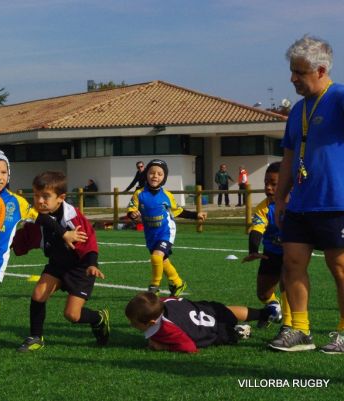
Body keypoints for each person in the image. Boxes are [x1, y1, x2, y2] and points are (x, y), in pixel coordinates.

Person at [0, 149, 85, 360]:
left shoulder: (17, 201)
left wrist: (64, 233)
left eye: (3, 172)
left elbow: (43, 219)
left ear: (9, 173)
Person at [270, 35, 344, 353]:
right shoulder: (298, 110)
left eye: (299, 72)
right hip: (301, 202)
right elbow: (288, 157)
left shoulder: (339, 98)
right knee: (292, 262)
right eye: (292, 71)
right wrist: (280, 197)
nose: (292, 79)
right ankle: (300, 329)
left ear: (321, 70)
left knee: (339, 266)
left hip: (336, 200)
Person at [12, 171, 110, 351]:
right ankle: (35, 337)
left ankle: (98, 318)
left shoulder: (73, 217)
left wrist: (91, 263)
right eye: (36, 195)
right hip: (57, 265)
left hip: (80, 268)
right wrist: (5, 242)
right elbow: (21, 239)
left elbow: (89, 242)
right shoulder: (35, 219)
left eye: (45, 196)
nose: (39, 200)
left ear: (61, 198)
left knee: (72, 315)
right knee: (38, 294)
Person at [126, 159, 207, 296]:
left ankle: (154, 287)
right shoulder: (139, 193)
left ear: (164, 178)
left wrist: (196, 215)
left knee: (157, 257)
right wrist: (133, 214)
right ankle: (178, 283)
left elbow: (178, 211)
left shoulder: (167, 195)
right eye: (152, 173)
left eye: (159, 174)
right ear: (146, 174)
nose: (155, 176)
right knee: (162, 260)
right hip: (150, 233)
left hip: (166, 231)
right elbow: (131, 210)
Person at [125, 291, 281, 353]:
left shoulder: (166, 329)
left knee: (227, 333)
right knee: (226, 311)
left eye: (134, 323)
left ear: (151, 322)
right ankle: (266, 313)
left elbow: (190, 347)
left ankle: (239, 331)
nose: (132, 325)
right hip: (207, 310)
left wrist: (163, 346)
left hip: (214, 331)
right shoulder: (163, 302)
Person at [242, 162, 290, 332]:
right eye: (266, 183)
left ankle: (289, 325)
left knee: (287, 280)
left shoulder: (296, 204)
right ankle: (274, 307)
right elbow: (256, 230)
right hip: (271, 253)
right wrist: (254, 251)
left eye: (273, 184)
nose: (268, 188)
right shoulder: (263, 207)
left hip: (292, 253)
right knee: (263, 294)